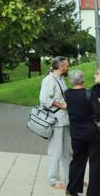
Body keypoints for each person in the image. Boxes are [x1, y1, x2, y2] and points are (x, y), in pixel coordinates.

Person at [64, 69, 100, 196]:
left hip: (76, 134)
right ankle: (93, 192)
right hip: (92, 134)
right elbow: (98, 113)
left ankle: (72, 190)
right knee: (95, 163)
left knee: (77, 161)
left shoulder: (67, 94)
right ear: (83, 79)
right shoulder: (90, 93)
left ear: (71, 81)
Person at [39, 56, 71, 190]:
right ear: (60, 66)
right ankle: (53, 180)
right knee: (55, 151)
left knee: (66, 152)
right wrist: (62, 105)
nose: (68, 67)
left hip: (65, 120)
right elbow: (44, 100)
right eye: (66, 65)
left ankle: (71, 179)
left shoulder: (61, 79)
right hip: (56, 121)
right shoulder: (48, 80)